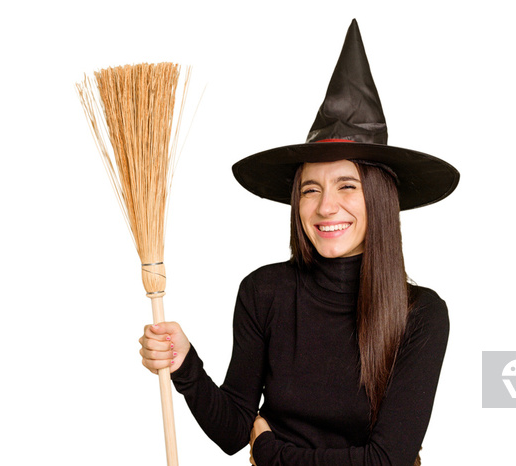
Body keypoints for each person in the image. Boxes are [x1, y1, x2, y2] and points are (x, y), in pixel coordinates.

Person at [139, 19, 459, 466]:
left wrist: (270, 451)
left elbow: (387, 460)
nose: (326, 207)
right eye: (311, 189)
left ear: (380, 200)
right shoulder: (264, 292)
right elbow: (234, 429)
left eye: (347, 186)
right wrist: (185, 364)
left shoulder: (420, 314)